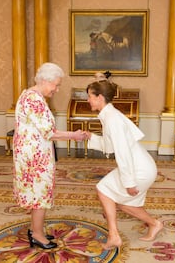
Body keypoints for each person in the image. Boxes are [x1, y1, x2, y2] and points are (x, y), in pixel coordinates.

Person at [13, 62, 86, 249]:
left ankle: (35, 229)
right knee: (40, 193)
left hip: (31, 153)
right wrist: (74, 136)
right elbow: (49, 132)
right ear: (45, 80)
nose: (57, 89)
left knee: (37, 192)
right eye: (56, 84)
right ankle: (37, 235)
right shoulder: (35, 100)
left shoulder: (28, 94)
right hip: (35, 157)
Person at [85, 79, 163, 250]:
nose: (88, 100)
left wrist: (129, 182)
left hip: (139, 169)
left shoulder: (112, 118)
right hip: (140, 165)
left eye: (90, 96)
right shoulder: (109, 115)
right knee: (123, 203)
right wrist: (90, 137)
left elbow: (122, 152)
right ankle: (154, 224)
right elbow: (111, 145)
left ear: (99, 97)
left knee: (104, 189)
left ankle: (114, 236)